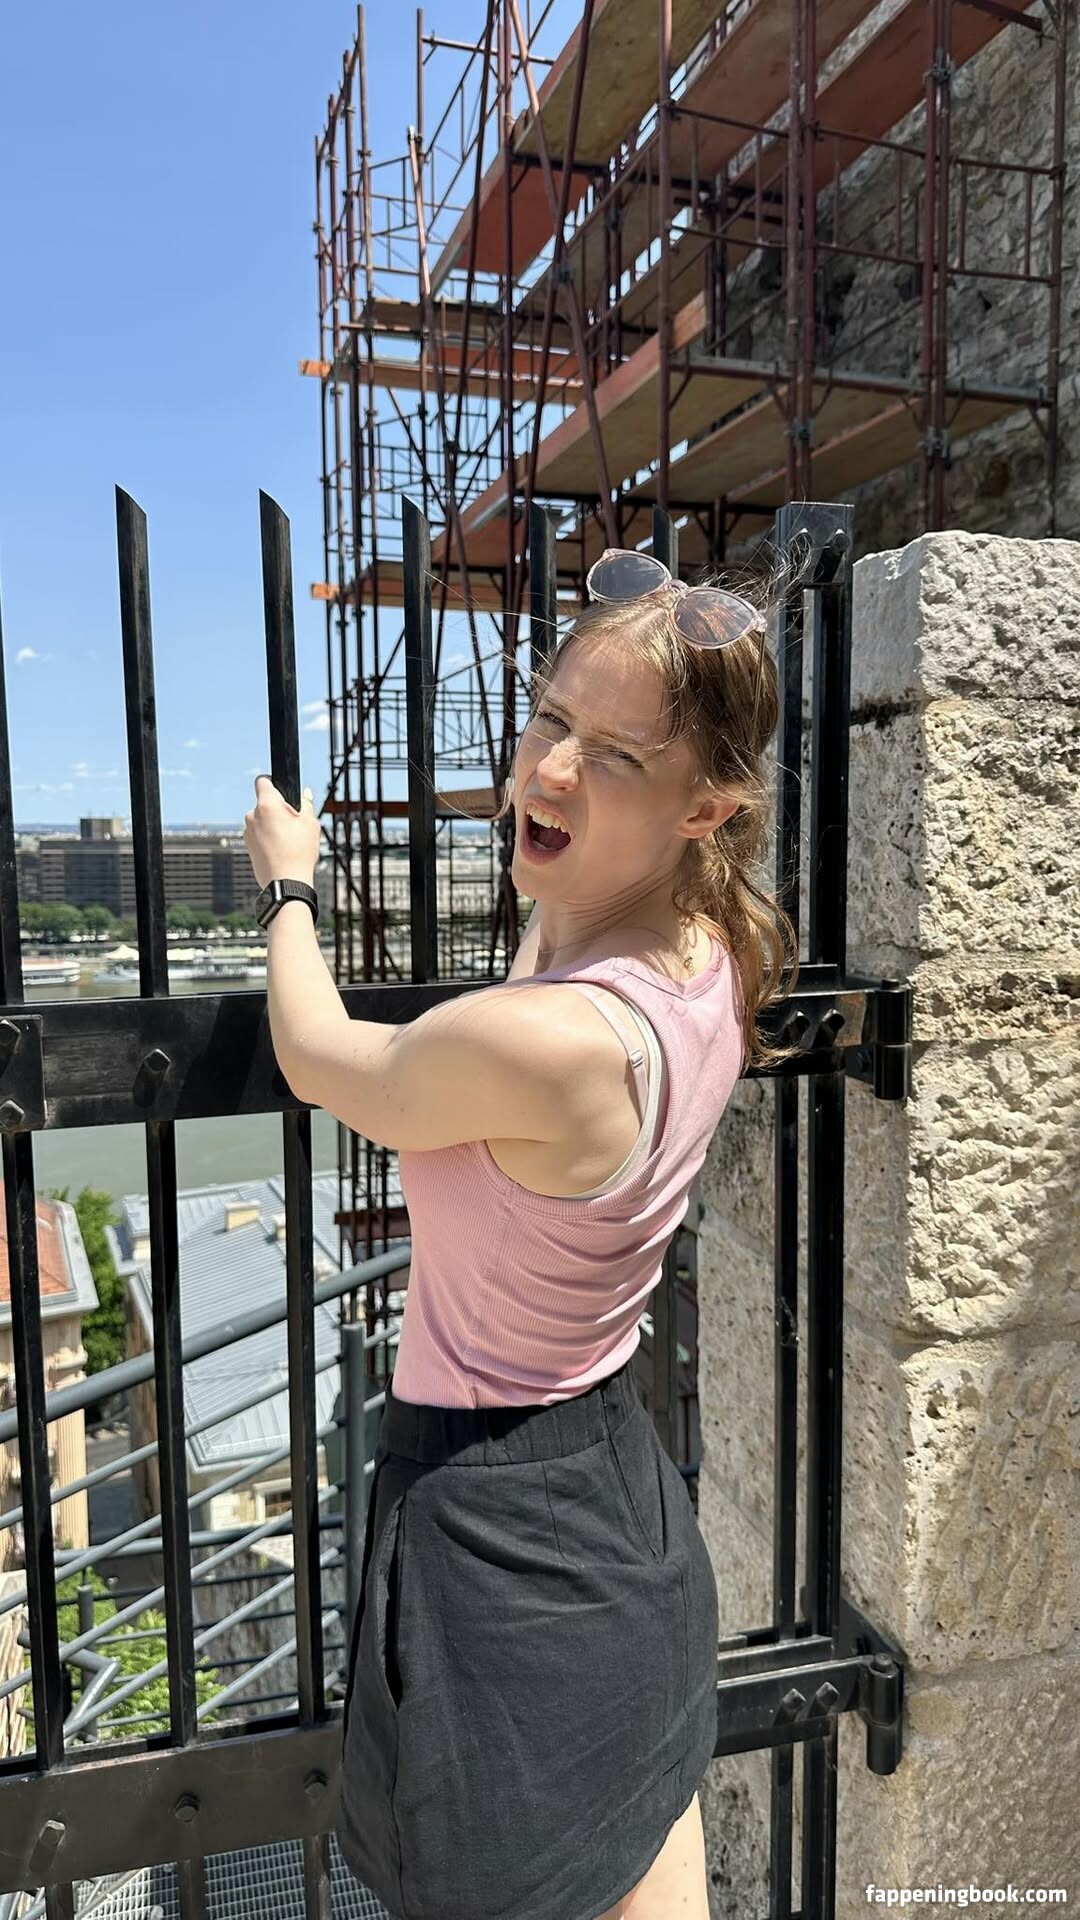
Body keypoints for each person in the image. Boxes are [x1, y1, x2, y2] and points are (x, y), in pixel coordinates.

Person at [246, 548, 801, 1920]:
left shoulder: (547, 1040)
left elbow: (319, 1054)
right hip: (615, 1482)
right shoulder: (712, 950)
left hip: (496, 1521)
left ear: (707, 807)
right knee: (639, 1835)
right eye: (551, 717)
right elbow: (559, 915)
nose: (549, 770)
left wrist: (289, 887)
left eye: (616, 755)